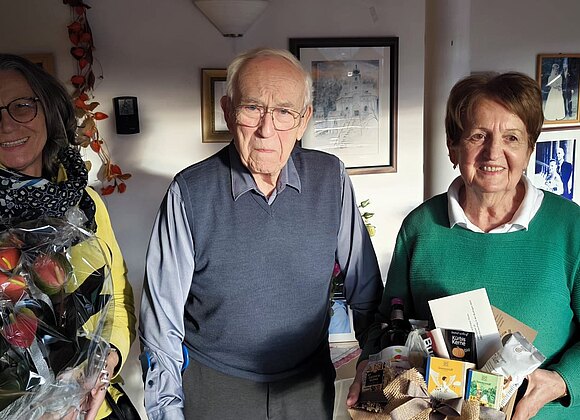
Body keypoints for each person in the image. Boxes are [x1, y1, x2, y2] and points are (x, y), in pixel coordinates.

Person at [139, 47, 383, 420]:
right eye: (252, 108)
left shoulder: (330, 179)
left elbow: (366, 293)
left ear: (304, 120)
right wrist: (166, 412)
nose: (266, 130)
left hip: (306, 387)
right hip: (214, 388)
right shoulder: (189, 192)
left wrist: (374, 360)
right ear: (227, 111)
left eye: (284, 112)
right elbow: (161, 325)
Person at [347, 72, 580, 420]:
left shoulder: (570, 226)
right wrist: (369, 364)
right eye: (478, 136)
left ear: (529, 149)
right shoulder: (421, 227)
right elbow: (387, 321)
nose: (493, 152)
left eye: (512, 138)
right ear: (453, 147)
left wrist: (562, 380)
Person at [0, 54, 136, 419]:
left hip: (94, 409)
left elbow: (117, 301)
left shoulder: (84, 202)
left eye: (22, 106)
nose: (7, 125)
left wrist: (103, 365)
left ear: (48, 111)